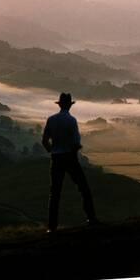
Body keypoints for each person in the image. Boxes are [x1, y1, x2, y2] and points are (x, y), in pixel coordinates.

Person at [42, 93, 98, 233]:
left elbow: (44, 140)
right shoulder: (72, 120)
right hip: (69, 157)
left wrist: (52, 150)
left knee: (55, 192)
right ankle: (91, 218)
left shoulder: (51, 119)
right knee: (83, 188)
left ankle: (52, 226)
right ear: (69, 105)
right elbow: (76, 143)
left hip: (56, 158)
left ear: (60, 104)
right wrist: (73, 152)